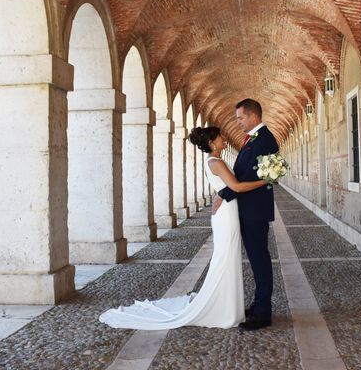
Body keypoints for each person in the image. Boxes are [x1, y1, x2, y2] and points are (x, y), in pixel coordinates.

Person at [98, 126, 266, 330]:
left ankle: (229, 306)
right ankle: (223, 308)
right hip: (226, 215)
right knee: (225, 257)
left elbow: (229, 188)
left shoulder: (213, 161)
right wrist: (265, 180)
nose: (224, 138)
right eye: (220, 136)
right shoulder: (216, 162)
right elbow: (237, 187)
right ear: (212, 142)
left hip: (227, 212)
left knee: (227, 257)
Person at [214, 98, 279, 331]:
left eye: (241, 117)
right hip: (250, 209)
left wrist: (224, 194)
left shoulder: (264, 140)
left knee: (260, 261)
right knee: (256, 260)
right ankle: (259, 305)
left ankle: (263, 314)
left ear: (253, 116)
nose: (238, 122)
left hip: (255, 211)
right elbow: (246, 173)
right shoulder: (255, 139)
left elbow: (249, 178)